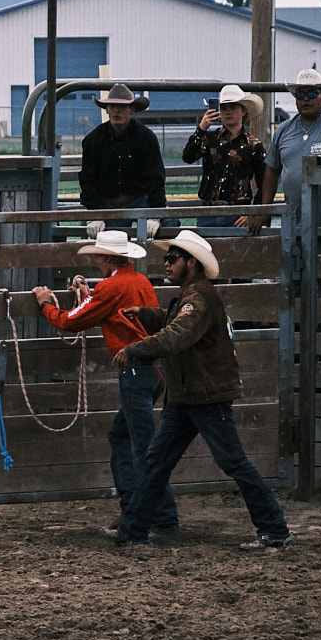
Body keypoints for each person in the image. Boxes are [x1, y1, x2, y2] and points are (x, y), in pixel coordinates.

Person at [112, 231, 292, 550]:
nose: (166, 264)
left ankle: (275, 528)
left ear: (191, 263)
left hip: (203, 395)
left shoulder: (196, 298)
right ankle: (134, 528)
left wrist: (136, 348)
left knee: (229, 461)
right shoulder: (194, 294)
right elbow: (176, 324)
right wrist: (147, 315)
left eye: (173, 259)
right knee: (158, 461)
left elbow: (178, 334)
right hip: (190, 395)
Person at [30, 229, 175, 532]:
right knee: (127, 439)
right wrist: (90, 294)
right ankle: (139, 511)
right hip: (155, 369)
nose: (95, 259)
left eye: (97, 255)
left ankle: (157, 518)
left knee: (140, 446)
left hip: (136, 369)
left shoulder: (110, 288)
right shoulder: (139, 281)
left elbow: (71, 321)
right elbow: (103, 306)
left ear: (108, 258)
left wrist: (46, 304)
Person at [252, 66, 321, 228]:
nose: (305, 99)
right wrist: (265, 210)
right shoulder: (283, 130)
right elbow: (272, 170)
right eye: (300, 94)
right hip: (294, 223)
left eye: (312, 94)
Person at [181, 83, 265, 231]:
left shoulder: (254, 145)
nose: (228, 112)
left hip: (238, 214)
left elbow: (264, 183)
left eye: (233, 107)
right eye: (224, 108)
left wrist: (252, 213)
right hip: (208, 212)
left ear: (243, 111)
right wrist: (201, 129)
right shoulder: (209, 138)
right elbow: (188, 156)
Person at [78, 83, 164, 214]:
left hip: (141, 200)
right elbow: (87, 179)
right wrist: (94, 212)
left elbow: (156, 177)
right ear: (107, 109)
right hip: (107, 202)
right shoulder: (93, 140)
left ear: (132, 109)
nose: (117, 110)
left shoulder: (146, 137)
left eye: (122, 106)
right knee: (111, 232)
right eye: (112, 106)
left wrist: (156, 212)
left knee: (169, 223)